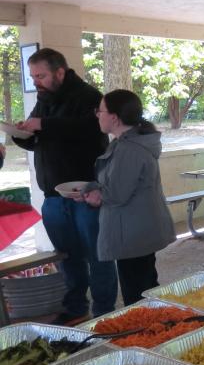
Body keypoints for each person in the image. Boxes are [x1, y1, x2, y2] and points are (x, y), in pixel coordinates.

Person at [13, 48, 117, 323]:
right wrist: (21, 135)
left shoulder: (89, 96)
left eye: (41, 75)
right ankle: (76, 308)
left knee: (99, 256)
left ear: (60, 72)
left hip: (85, 193)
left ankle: (104, 314)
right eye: (33, 76)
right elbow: (38, 139)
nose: (36, 81)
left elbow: (90, 130)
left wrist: (44, 125)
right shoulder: (44, 99)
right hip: (53, 196)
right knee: (67, 257)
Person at [79, 90, 175, 305]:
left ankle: (149, 335)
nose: (97, 115)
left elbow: (116, 193)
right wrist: (92, 188)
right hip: (137, 229)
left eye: (100, 110)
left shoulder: (128, 149)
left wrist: (96, 195)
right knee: (146, 286)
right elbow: (117, 184)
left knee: (138, 295)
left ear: (114, 117)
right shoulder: (127, 143)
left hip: (133, 233)